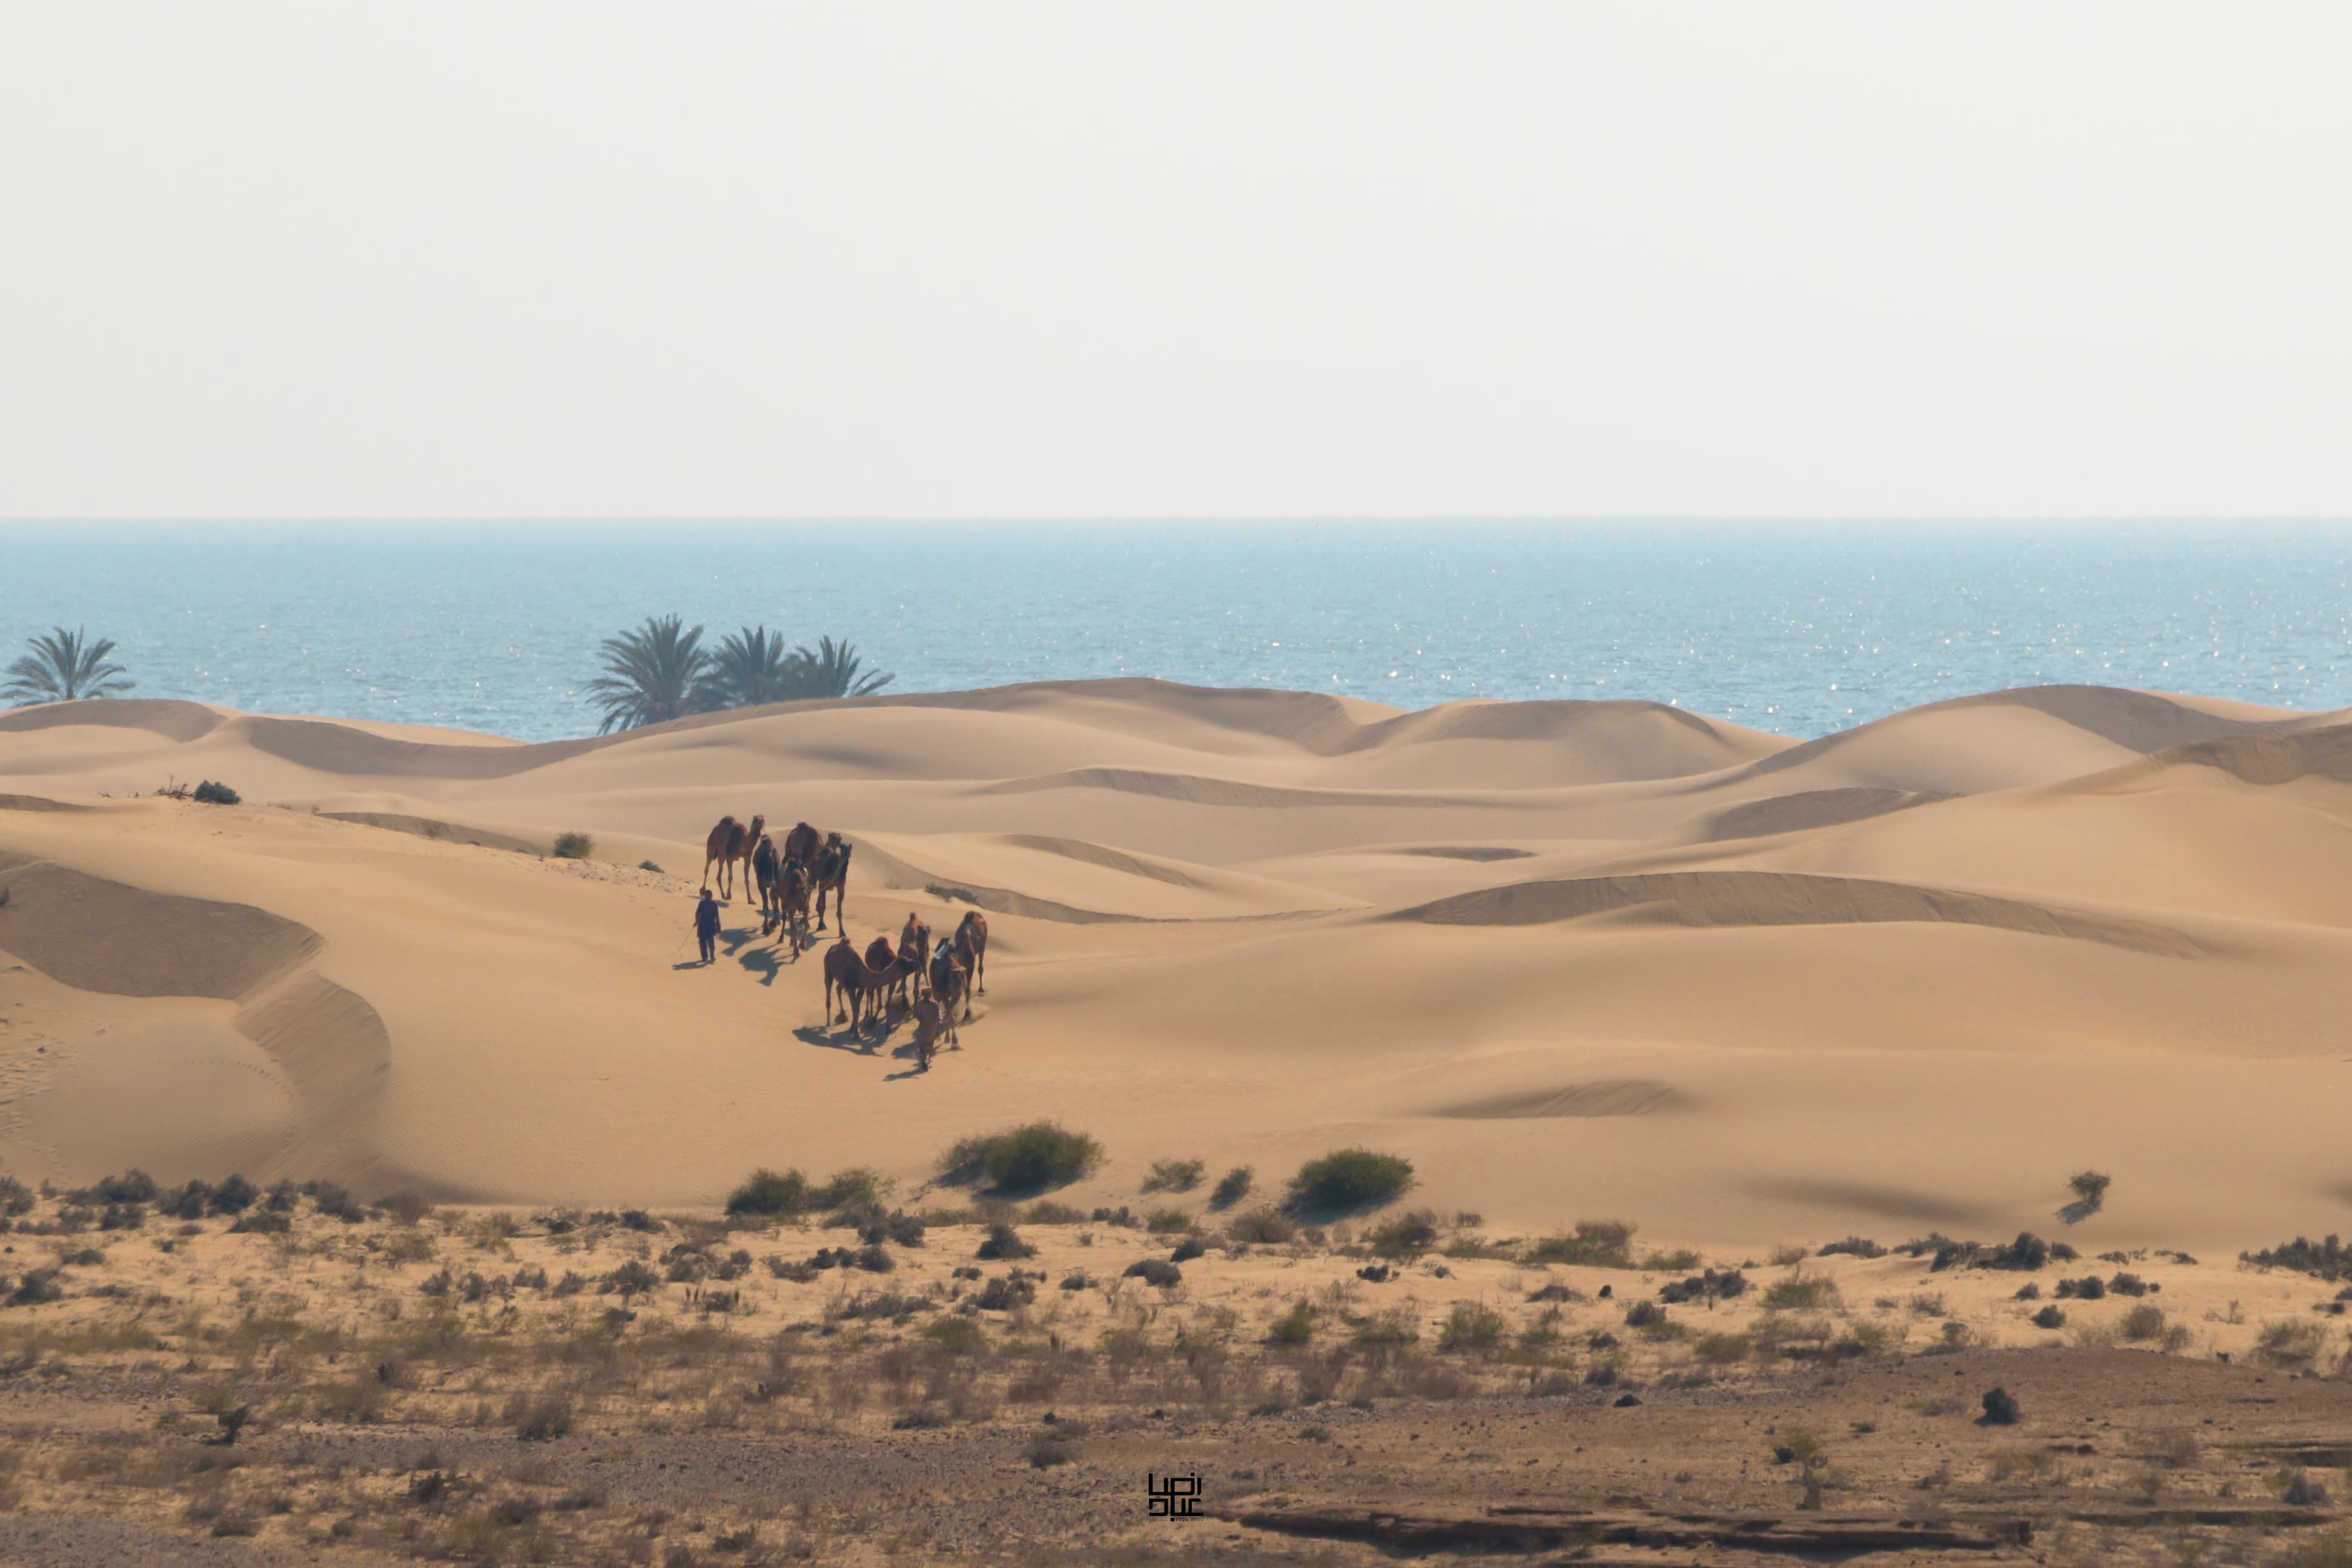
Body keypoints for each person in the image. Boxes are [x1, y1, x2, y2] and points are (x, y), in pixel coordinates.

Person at [694, 887, 721, 965]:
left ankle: (712, 956)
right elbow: (697, 913)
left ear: (712, 896)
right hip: (702, 925)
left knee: (711, 943)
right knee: (702, 943)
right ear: (705, 896)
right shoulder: (702, 903)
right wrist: (696, 921)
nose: (709, 897)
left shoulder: (714, 904)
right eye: (707, 895)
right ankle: (704, 957)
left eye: (710, 895)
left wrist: (718, 926)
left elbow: (717, 916)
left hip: (710, 926)